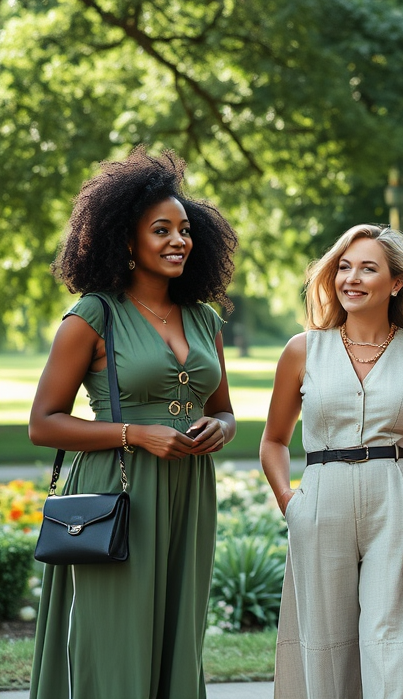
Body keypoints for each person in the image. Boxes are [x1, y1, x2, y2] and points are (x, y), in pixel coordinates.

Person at [28, 146, 238, 699]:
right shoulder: (94, 314)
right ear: (127, 239)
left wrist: (222, 428)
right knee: (117, 636)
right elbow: (43, 424)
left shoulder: (203, 317)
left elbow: (224, 409)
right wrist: (134, 433)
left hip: (189, 489)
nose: (178, 241)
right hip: (117, 491)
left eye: (185, 230)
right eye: (161, 230)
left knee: (179, 634)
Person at [260, 224, 403, 699]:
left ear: (398, 282)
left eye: (368, 268)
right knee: (325, 649)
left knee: (400, 648)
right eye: (344, 267)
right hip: (321, 502)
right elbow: (274, 441)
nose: (352, 278)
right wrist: (292, 503)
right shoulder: (303, 350)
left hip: (399, 500)